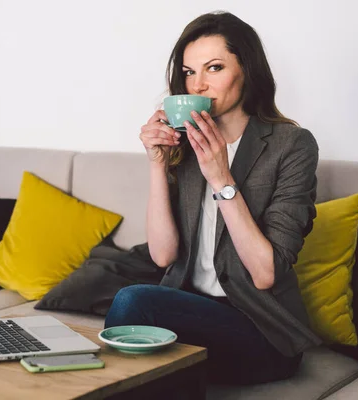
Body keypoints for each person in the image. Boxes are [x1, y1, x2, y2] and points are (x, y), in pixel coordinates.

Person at [104, 11, 322, 385]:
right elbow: (163, 256)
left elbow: (265, 273)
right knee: (156, 366)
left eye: (214, 68)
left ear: (248, 71)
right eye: (189, 72)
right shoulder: (185, 145)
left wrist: (222, 177)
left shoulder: (291, 145)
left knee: (133, 302)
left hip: (259, 329)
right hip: (189, 315)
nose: (198, 85)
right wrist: (158, 165)